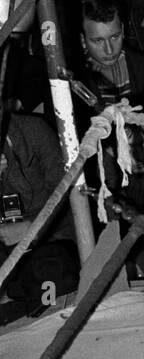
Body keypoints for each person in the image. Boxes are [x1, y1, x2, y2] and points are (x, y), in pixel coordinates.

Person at [0, 114, 79, 321]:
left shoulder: (34, 130)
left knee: (53, 270)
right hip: (6, 235)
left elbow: (62, 189)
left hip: (52, 226)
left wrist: (32, 228)